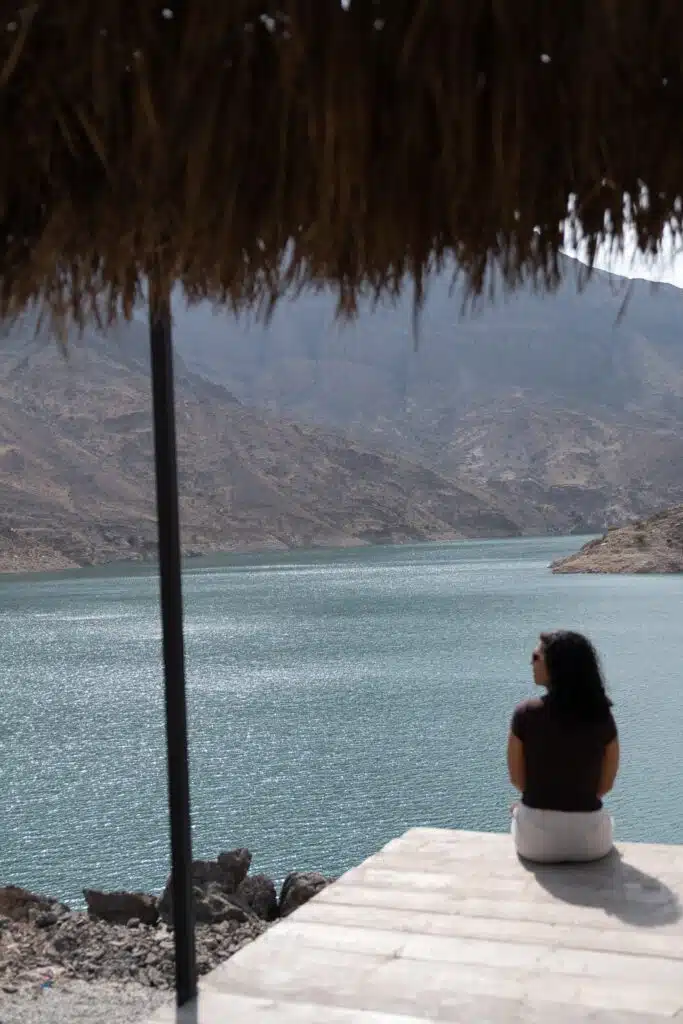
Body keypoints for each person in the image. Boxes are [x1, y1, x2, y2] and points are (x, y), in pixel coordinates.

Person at [507, 630, 619, 863]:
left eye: (536, 657)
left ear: (557, 664)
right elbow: (605, 785)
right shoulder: (602, 716)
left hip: (535, 844)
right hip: (591, 844)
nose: (531, 663)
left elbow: (518, 781)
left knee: (519, 810)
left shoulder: (524, 714)